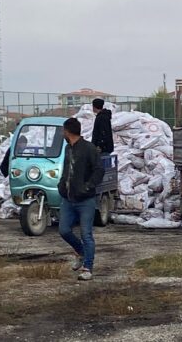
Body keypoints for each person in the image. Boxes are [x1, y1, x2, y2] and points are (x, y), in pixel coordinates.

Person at [57, 118, 104, 281]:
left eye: (63, 131)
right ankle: (81, 252)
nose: (63, 134)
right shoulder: (68, 148)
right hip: (68, 199)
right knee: (64, 230)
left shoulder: (89, 148)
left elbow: (99, 170)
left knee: (86, 234)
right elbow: (66, 170)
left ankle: (87, 268)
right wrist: (61, 186)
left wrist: (88, 186)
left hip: (85, 200)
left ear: (67, 131)